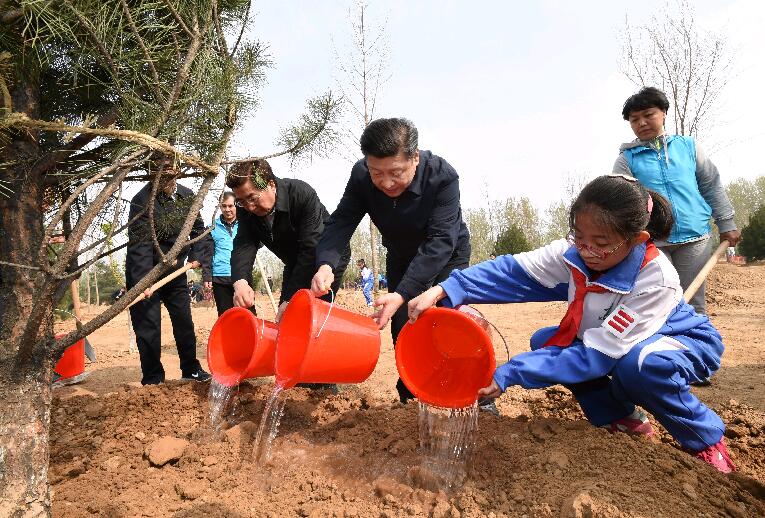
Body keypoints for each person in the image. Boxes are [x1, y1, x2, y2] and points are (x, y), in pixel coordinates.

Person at [408, 175, 735, 474]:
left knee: (639, 367)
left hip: (677, 340)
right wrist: (445, 288)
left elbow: (594, 356)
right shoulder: (572, 253)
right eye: (579, 236)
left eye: (601, 241)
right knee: (547, 342)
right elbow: (510, 271)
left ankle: (704, 441)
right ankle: (621, 418)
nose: (587, 250)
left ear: (637, 239)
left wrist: (510, 372)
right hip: (612, 341)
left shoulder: (655, 279)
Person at [310, 117, 475, 406]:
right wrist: (326, 264)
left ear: (415, 157)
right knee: (404, 325)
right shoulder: (361, 176)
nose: (386, 182)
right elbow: (342, 222)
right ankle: (414, 395)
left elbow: (441, 240)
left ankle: (474, 395)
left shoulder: (443, 177)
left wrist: (402, 292)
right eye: (377, 172)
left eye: (396, 172)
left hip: (448, 255)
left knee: (452, 320)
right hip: (401, 255)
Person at [613, 86, 741, 314]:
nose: (641, 123)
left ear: (663, 113)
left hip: (696, 239)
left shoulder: (689, 147)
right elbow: (621, 205)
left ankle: (697, 348)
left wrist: (726, 223)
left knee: (694, 305)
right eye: (634, 119)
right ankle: (666, 349)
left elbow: (711, 185)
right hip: (653, 243)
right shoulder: (626, 160)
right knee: (662, 303)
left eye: (648, 115)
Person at [226, 159, 350, 321]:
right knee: (285, 315)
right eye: (241, 201)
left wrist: (290, 299)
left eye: (252, 198)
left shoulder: (301, 194)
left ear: (271, 184)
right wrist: (240, 282)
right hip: (294, 262)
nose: (249, 207)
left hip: (324, 257)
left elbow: (311, 247)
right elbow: (244, 245)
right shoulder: (245, 210)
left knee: (312, 312)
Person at [126, 161, 213, 385]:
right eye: (158, 174)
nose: (165, 178)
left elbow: (198, 231)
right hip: (148, 271)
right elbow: (140, 246)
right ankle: (153, 376)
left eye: (169, 173)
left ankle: (191, 369)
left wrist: (196, 255)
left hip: (176, 272)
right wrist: (143, 282)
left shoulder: (187, 196)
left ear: (177, 172)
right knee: (148, 326)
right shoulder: (141, 201)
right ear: (150, 174)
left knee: (184, 321)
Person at [210, 192, 240, 316]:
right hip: (220, 277)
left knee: (245, 313)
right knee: (225, 316)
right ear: (220, 207)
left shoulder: (246, 224)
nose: (227, 209)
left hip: (241, 275)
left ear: (236, 205)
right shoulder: (212, 227)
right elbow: (208, 253)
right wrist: (207, 276)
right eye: (224, 206)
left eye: (230, 206)